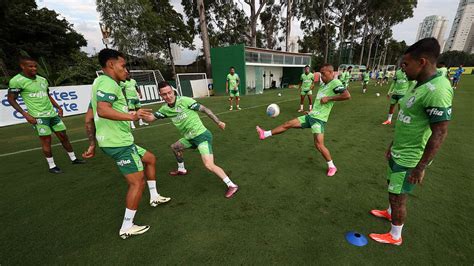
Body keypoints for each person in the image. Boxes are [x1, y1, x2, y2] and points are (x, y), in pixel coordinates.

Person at [369, 38, 453, 245]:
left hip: (411, 157)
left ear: (422, 62)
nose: (403, 69)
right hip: (399, 149)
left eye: (406, 64)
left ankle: (395, 236)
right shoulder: (419, 84)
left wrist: (420, 166)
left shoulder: (438, 90)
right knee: (392, 187)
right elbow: (408, 119)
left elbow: (440, 132)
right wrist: (392, 144)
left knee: (399, 196)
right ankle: (390, 213)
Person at [82, 48, 171, 239]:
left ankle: (154, 197)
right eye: (123, 65)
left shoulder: (98, 82)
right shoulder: (108, 83)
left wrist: (92, 144)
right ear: (111, 64)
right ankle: (127, 226)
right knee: (137, 183)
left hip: (114, 142)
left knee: (150, 159)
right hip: (119, 144)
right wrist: (132, 115)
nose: (125, 69)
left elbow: (89, 116)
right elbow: (103, 111)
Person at [140, 82, 239, 198]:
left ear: (173, 91)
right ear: (160, 95)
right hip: (189, 138)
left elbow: (205, 109)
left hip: (202, 136)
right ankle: (182, 169)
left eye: (169, 93)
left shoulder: (185, 101)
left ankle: (232, 185)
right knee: (175, 147)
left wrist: (218, 122)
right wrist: (139, 115)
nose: (168, 96)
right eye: (164, 94)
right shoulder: (165, 109)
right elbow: (152, 118)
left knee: (209, 164)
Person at [256, 64, 351, 176]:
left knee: (319, 145)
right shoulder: (323, 85)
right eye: (321, 74)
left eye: (324, 74)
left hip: (318, 120)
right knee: (288, 123)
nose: (322, 77)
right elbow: (319, 103)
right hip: (311, 116)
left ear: (331, 73)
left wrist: (329, 98)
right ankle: (265, 134)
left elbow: (347, 95)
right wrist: (311, 111)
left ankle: (332, 166)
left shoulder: (335, 83)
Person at [7, 56, 85, 173]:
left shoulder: (42, 80)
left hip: (52, 114)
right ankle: (52, 166)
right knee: (46, 140)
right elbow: (11, 99)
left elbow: (47, 95)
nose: (34, 68)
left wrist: (58, 107)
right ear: (22, 66)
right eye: (30, 66)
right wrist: (26, 114)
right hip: (38, 117)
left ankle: (74, 159)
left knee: (64, 136)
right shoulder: (16, 81)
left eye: (35, 66)